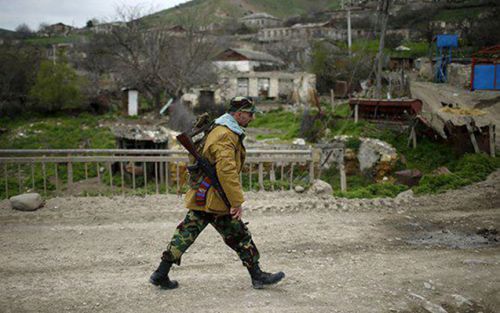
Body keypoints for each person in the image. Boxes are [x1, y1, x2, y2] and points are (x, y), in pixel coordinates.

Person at [149, 96, 285, 290]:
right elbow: (226, 170)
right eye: (249, 114)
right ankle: (257, 275)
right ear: (238, 114)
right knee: (240, 236)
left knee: (186, 232)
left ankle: (161, 273)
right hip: (215, 198)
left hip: (203, 195)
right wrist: (236, 201)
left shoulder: (219, 128)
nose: (252, 118)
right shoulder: (225, 134)